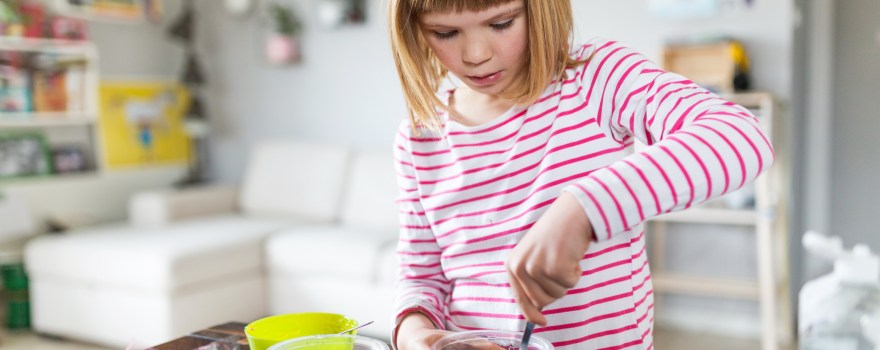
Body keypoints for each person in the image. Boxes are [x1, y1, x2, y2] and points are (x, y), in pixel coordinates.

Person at [387, 0, 774, 349]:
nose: (475, 54)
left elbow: (741, 135)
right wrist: (418, 336)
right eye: (445, 33)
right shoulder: (418, 137)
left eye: (502, 22)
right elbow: (421, 279)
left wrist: (584, 208)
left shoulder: (595, 78)